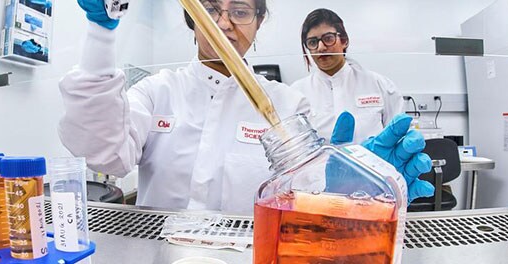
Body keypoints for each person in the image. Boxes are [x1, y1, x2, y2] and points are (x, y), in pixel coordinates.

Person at [59, 0, 433, 214]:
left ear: (258, 23)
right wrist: (100, 33)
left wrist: (353, 186)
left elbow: (307, 190)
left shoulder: (285, 103)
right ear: (193, 20)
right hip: (160, 252)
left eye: (239, 11)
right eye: (210, 10)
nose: (223, 24)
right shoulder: (158, 91)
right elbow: (104, 154)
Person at [291, 9, 405, 143]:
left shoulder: (380, 85)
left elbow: (398, 138)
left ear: (344, 40)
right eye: (312, 42)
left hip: (371, 164)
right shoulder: (297, 93)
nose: (320, 47)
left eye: (328, 39)